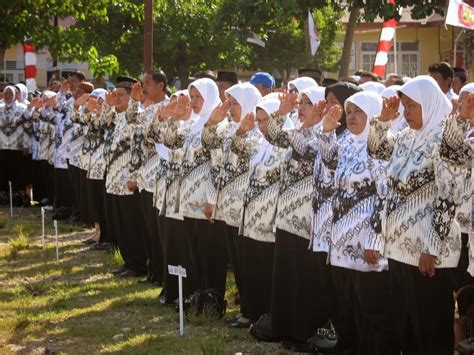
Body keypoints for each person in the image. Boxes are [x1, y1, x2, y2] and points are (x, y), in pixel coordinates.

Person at [368, 75, 467, 354]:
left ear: (429, 104)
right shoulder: (406, 138)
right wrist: (383, 119)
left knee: (430, 329)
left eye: (413, 106)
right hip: (400, 250)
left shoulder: (444, 142)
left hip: (428, 253)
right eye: (405, 105)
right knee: (406, 327)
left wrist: (431, 247)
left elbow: (449, 196)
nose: (407, 112)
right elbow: (376, 149)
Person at [320, 91, 398, 355]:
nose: (351, 117)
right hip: (342, 240)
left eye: (358, 112)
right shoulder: (346, 142)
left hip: (367, 237)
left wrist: (374, 238)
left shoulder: (381, 147)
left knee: (373, 307)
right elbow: (329, 167)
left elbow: (385, 194)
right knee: (347, 303)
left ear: (373, 113)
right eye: (349, 111)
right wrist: (328, 132)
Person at [263, 87, 334, 349]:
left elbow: (305, 151)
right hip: (287, 216)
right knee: (286, 276)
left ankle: (304, 332)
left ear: (322, 107)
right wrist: (281, 113)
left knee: (305, 280)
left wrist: (309, 126)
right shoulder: (299, 130)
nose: (302, 106)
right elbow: (273, 136)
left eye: (308, 102)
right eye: (301, 102)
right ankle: (286, 329)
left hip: (309, 222)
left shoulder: (325, 136)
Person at [201, 82, 262, 326]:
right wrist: (211, 123)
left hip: (247, 209)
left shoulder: (260, 133)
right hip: (226, 207)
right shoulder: (226, 130)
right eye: (229, 103)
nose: (232, 108)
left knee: (249, 263)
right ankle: (246, 308)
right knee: (237, 262)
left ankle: (253, 311)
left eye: (236, 103)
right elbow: (213, 158)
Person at [439, 83, 474, 344]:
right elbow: (449, 157)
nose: (464, 104)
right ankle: (462, 328)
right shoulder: (459, 134)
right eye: (462, 99)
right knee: (461, 280)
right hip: (458, 227)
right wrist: (456, 122)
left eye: (470, 100)